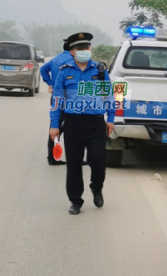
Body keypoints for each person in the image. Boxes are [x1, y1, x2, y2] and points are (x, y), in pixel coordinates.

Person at [49, 33, 115, 214]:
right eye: (80, 48)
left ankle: (96, 186)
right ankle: (76, 200)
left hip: (95, 123)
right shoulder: (65, 71)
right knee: (74, 163)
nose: (85, 51)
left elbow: (109, 95)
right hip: (73, 123)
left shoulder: (100, 71)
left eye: (87, 48)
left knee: (98, 160)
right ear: (72, 52)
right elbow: (57, 99)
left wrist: (110, 119)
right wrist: (54, 124)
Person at [41, 42, 74, 165]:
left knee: (55, 126)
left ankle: (52, 157)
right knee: (74, 128)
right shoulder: (74, 61)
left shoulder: (56, 59)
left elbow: (43, 69)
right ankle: (75, 158)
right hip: (71, 98)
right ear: (73, 50)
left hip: (56, 96)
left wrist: (50, 83)